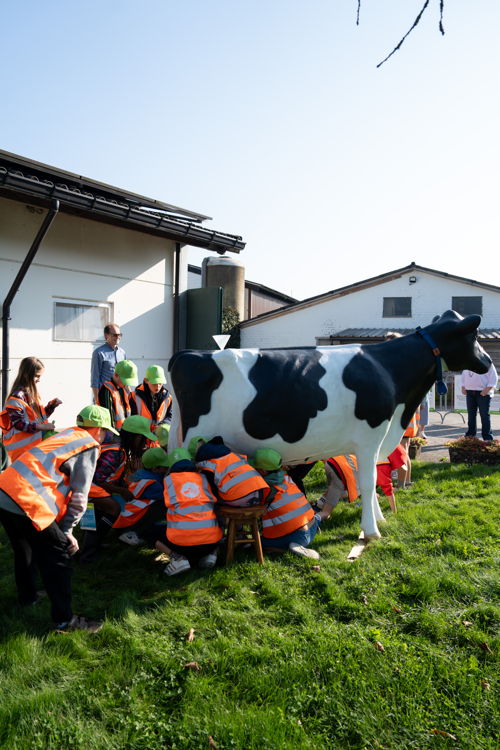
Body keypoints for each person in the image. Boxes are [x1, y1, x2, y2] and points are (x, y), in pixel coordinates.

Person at [0, 404, 116, 632]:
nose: (105, 436)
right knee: (59, 557)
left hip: (4, 491)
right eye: (106, 432)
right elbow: (80, 496)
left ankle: (28, 597)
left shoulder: (66, 434)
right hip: (26, 500)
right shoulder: (89, 445)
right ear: (100, 430)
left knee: (24, 548)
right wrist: (67, 531)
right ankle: (65, 620)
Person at [157, 447, 223, 576]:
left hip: (181, 545)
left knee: (148, 530)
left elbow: (166, 505)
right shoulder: (204, 478)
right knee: (217, 520)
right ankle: (211, 554)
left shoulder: (168, 480)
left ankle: (178, 558)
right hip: (211, 542)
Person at [253, 448, 321, 560]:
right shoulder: (287, 478)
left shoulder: (264, 489)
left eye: (256, 467)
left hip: (295, 535)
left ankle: (285, 548)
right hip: (311, 524)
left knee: (257, 542)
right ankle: (302, 539)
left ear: (263, 472)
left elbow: (256, 512)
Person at [0, 356, 62, 463]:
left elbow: (39, 418)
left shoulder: (32, 394)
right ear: (26, 375)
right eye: (37, 376)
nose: (39, 380)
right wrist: (42, 427)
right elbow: (19, 424)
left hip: (33, 449)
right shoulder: (16, 398)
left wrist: (52, 406)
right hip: (22, 452)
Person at [195, 436, 269, 507]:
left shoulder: (210, 465)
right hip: (260, 493)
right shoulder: (236, 456)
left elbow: (212, 490)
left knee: (215, 499)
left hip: (237, 499)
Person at [97, 359, 138, 435]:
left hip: (125, 432)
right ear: (116, 375)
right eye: (125, 381)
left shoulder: (122, 388)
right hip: (113, 435)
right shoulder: (106, 390)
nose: (127, 385)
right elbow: (108, 417)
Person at [460, 363, 498, 441]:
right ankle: (470, 435)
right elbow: (463, 376)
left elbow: (494, 377)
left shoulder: (487, 363)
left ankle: (487, 437)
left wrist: (486, 390)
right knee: (471, 416)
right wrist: (463, 387)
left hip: (483, 393)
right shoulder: (468, 362)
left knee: (484, 416)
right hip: (470, 393)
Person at [90, 323, 126, 402]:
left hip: (120, 396)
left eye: (119, 335)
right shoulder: (99, 353)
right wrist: (97, 399)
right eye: (115, 335)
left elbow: (124, 376)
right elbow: (94, 379)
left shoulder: (122, 353)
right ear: (106, 336)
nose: (118, 337)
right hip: (105, 396)